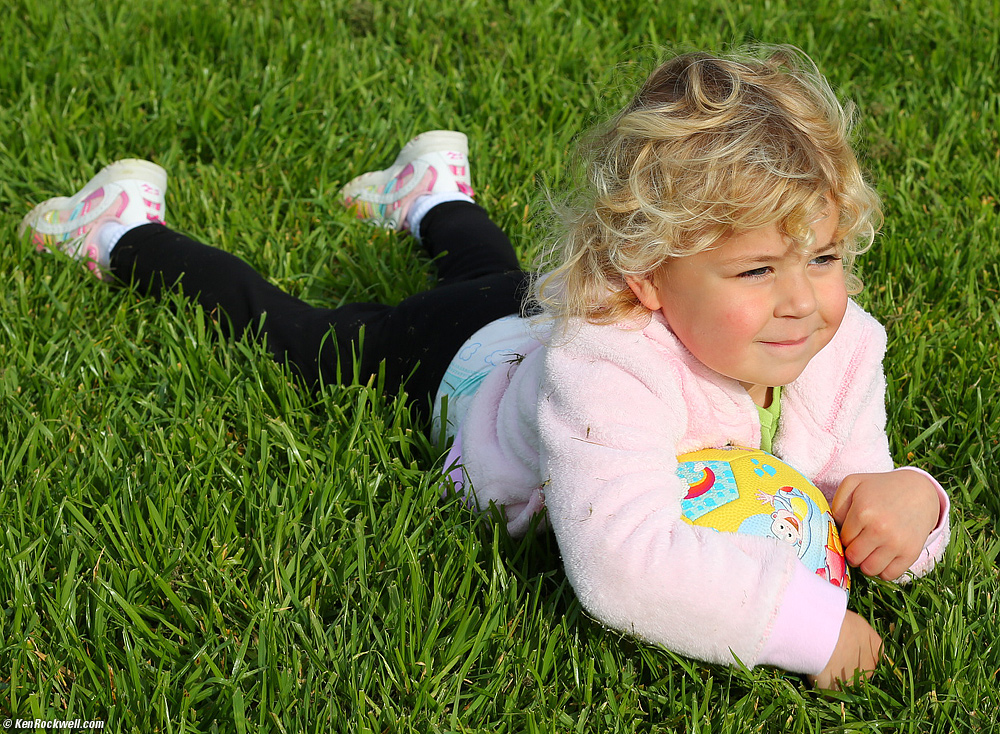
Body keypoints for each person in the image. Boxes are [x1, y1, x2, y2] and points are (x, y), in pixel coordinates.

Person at [20, 45, 950, 690]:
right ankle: (123, 227)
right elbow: (623, 567)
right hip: (458, 360)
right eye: (758, 269)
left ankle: (430, 188)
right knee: (303, 335)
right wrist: (808, 630)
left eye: (824, 257)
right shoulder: (609, 362)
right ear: (646, 277)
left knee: (491, 272)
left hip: (522, 316)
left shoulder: (840, 340)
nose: (805, 298)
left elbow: (854, 482)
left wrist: (914, 502)